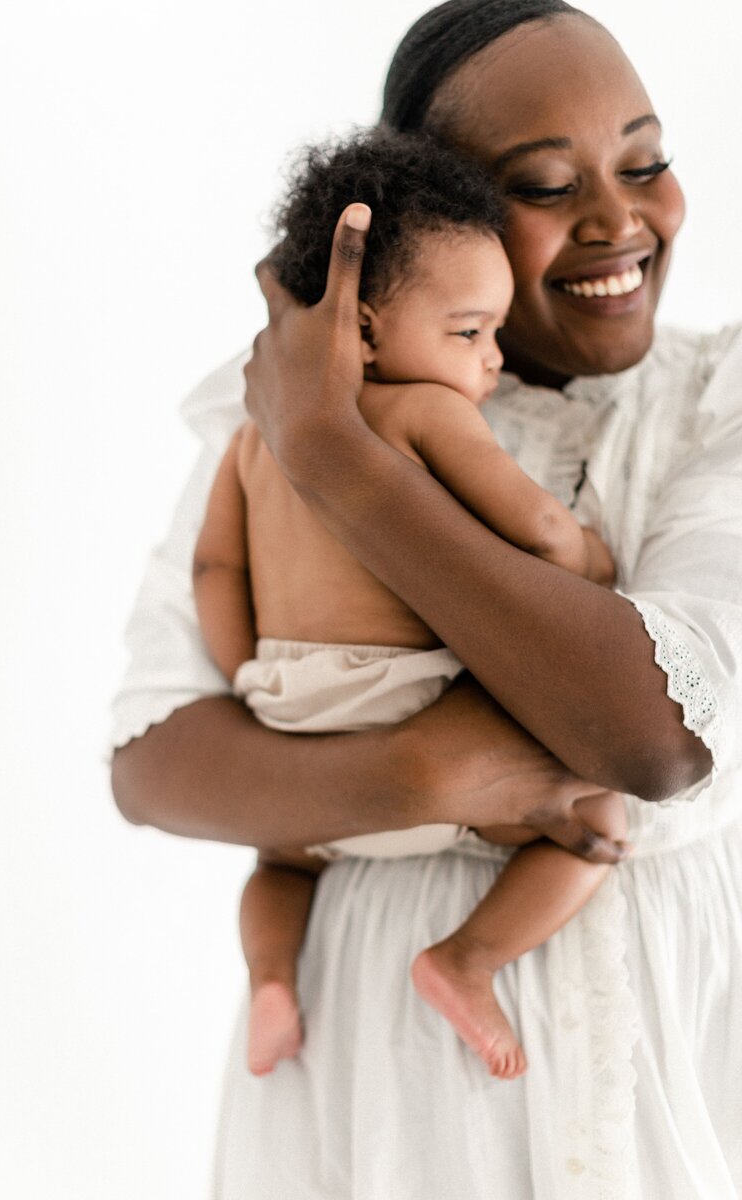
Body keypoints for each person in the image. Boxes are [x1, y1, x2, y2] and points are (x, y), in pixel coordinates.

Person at [111, 1, 742, 1195]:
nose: (618, 218)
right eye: (547, 184)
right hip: (384, 1078)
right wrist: (428, 777)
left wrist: (340, 460)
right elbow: (150, 756)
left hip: (675, 1049)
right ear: (438, 217)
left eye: (645, 162)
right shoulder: (287, 408)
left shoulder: (718, 399)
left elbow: (658, 736)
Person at [193, 126, 624, 1082]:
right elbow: (542, 532)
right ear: (364, 329)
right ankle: (466, 962)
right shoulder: (428, 412)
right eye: (470, 333)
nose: (492, 362)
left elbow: (215, 575)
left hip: (288, 719)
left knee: (281, 864)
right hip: (412, 711)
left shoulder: (253, 439)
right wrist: (597, 560)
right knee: (602, 821)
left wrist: (247, 681)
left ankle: (272, 979)